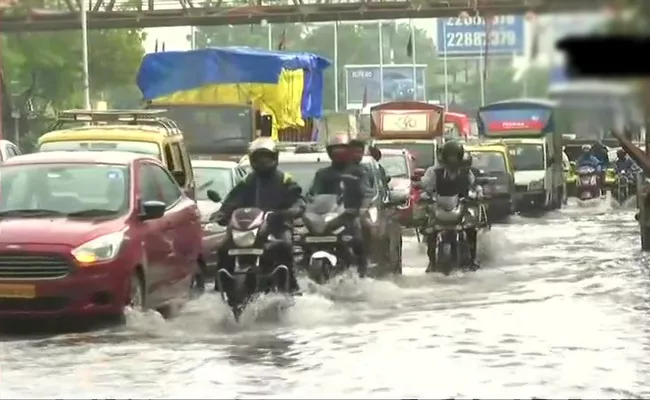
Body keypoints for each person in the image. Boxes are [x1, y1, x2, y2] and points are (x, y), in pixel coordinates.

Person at [214, 138, 304, 294]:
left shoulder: (285, 179)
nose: (263, 161)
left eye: (266, 157)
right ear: (252, 159)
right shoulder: (247, 180)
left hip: (276, 225)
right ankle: (221, 286)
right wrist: (222, 213)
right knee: (223, 248)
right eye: (258, 157)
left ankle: (291, 286)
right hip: (248, 227)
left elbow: (298, 200)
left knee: (285, 245)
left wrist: (290, 211)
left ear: (275, 157)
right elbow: (233, 199)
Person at [308, 133, 370, 276]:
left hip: (350, 215)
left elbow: (366, 193)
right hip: (329, 215)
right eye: (335, 151)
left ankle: (362, 272)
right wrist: (307, 207)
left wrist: (361, 209)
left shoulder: (358, 171)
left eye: (342, 151)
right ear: (329, 153)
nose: (339, 154)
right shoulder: (322, 174)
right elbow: (313, 195)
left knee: (359, 239)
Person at [420, 141, 479, 271]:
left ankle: (473, 259)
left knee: (471, 228)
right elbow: (427, 187)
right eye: (449, 155)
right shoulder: (435, 173)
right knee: (430, 230)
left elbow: (474, 186)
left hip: (461, 207)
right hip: (440, 207)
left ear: (459, 156)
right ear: (445, 157)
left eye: (455, 155)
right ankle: (431, 261)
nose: (452, 159)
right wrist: (425, 195)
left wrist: (476, 195)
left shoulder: (466, 173)